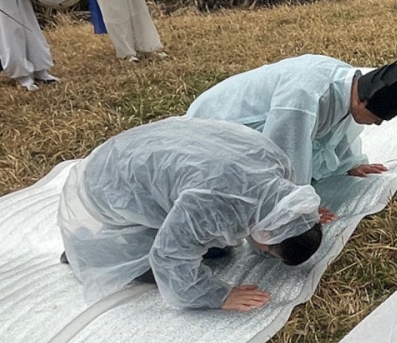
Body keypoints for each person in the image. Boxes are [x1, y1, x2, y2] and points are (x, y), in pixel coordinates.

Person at [58, 117, 326, 312]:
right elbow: (168, 257)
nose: (263, 253)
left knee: (218, 249)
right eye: (268, 252)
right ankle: (85, 247)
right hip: (107, 182)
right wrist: (218, 295)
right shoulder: (211, 203)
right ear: (267, 235)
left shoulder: (277, 165)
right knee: (170, 264)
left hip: (142, 145)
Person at [186, 55, 397, 186]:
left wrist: (350, 163)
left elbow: (339, 125)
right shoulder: (303, 97)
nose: (376, 125)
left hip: (237, 113)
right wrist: (298, 204)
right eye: (376, 119)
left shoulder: (349, 83)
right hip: (216, 122)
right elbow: (284, 150)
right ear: (363, 102)